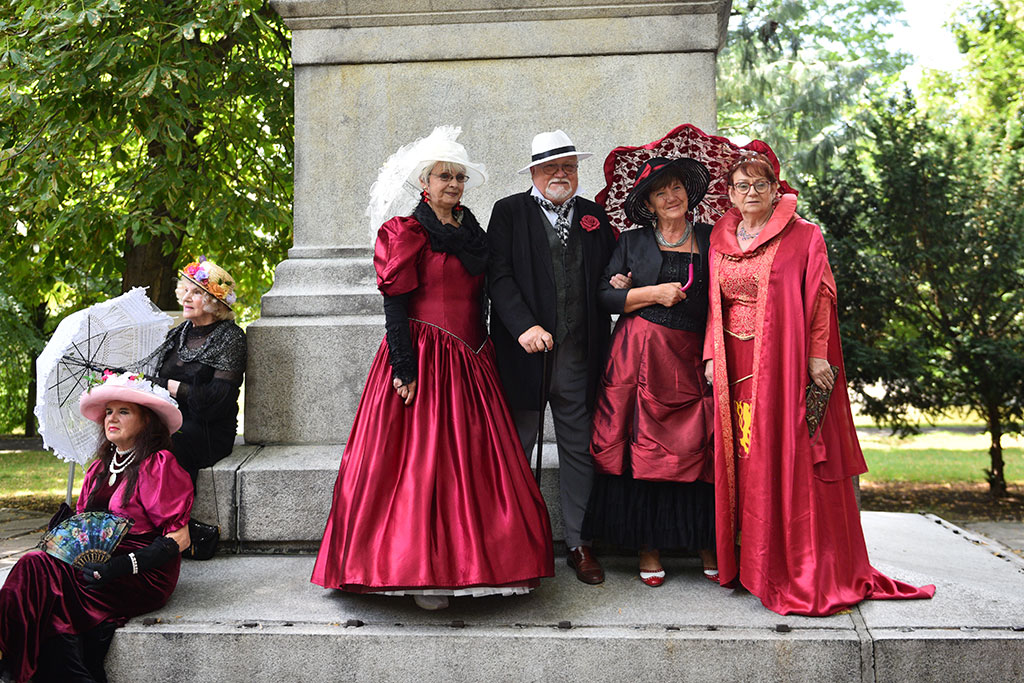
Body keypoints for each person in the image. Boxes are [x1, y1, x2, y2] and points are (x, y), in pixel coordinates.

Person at [311, 127, 554, 610]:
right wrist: (404, 366)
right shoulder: (406, 232)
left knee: (474, 464)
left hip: (471, 361)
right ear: (425, 181)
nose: (454, 184)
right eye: (446, 176)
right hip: (422, 356)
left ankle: (482, 563)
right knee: (419, 464)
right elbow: (396, 306)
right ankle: (420, 572)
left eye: (460, 177)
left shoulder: (472, 230)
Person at [703, 151, 935, 615]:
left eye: (760, 185)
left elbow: (822, 298)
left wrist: (815, 357)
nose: (751, 193)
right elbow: (715, 303)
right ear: (729, 194)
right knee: (746, 461)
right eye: (742, 186)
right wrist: (711, 354)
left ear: (775, 189)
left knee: (787, 457)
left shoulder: (805, 235)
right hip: (734, 366)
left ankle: (794, 567)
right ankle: (752, 564)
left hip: (784, 361)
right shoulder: (719, 237)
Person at [0, 372, 193, 682]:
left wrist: (121, 566)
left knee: (42, 578)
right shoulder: (100, 467)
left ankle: (12, 663)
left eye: (124, 411)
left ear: (146, 422)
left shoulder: (158, 464)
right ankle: (11, 661)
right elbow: (82, 526)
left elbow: (179, 538)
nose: (111, 418)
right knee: (35, 567)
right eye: (108, 412)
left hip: (142, 574)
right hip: (92, 565)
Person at [488, 130, 617, 585]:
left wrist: (620, 281)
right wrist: (524, 326)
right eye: (551, 168)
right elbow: (498, 278)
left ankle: (580, 543)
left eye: (569, 166)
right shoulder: (508, 212)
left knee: (579, 451)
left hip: (580, 355)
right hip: (524, 356)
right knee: (518, 448)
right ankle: (515, 543)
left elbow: (606, 273)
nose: (561, 174)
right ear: (535, 173)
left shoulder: (593, 216)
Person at [583, 157, 717, 587]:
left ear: (688, 194)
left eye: (676, 188)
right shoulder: (630, 242)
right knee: (640, 451)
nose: (671, 197)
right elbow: (603, 296)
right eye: (661, 193)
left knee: (696, 444)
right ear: (649, 204)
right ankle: (648, 546)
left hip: (692, 357)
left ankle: (706, 542)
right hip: (638, 358)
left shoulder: (713, 239)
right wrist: (648, 293)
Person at [141, 257, 246, 483]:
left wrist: (168, 386)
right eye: (185, 290)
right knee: (128, 435)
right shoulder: (178, 333)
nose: (186, 298)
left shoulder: (231, 337)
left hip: (207, 430)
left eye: (196, 293)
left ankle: (166, 512)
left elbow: (218, 400)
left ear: (214, 303)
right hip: (168, 418)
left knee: (165, 443)